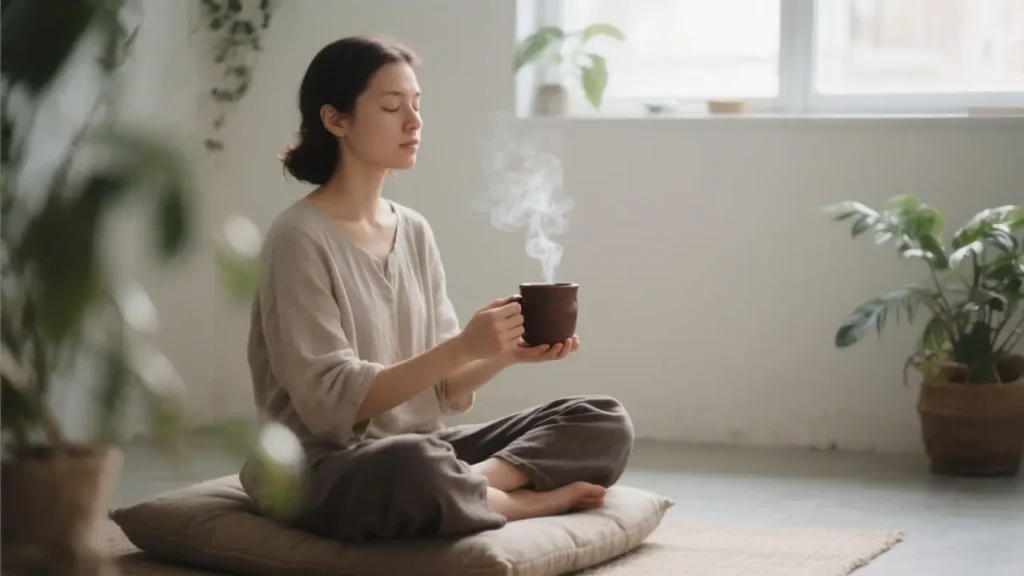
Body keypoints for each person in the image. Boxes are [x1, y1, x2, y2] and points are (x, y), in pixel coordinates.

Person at [240, 35, 634, 543]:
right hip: (321, 466)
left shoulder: (415, 230)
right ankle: (517, 502)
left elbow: (447, 387)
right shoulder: (298, 237)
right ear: (336, 120)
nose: (414, 121)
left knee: (601, 419)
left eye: (417, 105)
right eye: (391, 106)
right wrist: (463, 346)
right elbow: (329, 404)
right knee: (412, 467)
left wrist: (504, 352)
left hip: (427, 448)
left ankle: (475, 486)